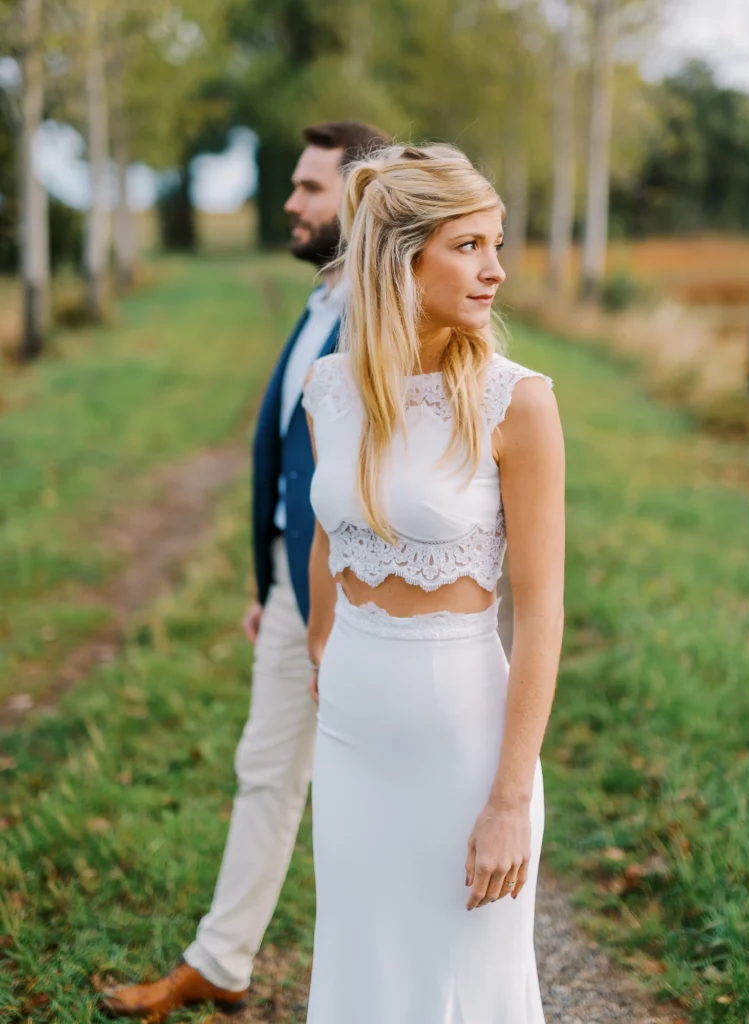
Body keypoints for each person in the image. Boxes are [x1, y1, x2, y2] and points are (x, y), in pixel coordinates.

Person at [102, 120, 390, 1021]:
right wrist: (272, 584)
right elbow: (289, 459)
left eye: (310, 188)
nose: (290, 201)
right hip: (292, 583)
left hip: (355, 602)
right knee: (265, 769)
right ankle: (222, 962)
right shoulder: (320, 302)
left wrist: (333, 608)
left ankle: (391, 986)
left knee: (374, 792)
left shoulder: (386, 318)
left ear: (362, 199)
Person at [300, 143, 565, 1022]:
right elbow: (330, 531)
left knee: (461, 987)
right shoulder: (327, 390)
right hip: (350, 736)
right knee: (362, 976)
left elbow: (543, 615)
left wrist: (509, 799)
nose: (496, 271)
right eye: (469, 246)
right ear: (400, 258)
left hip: (463, 745)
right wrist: (321, 647)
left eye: (497, 245)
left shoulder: (515, 401)